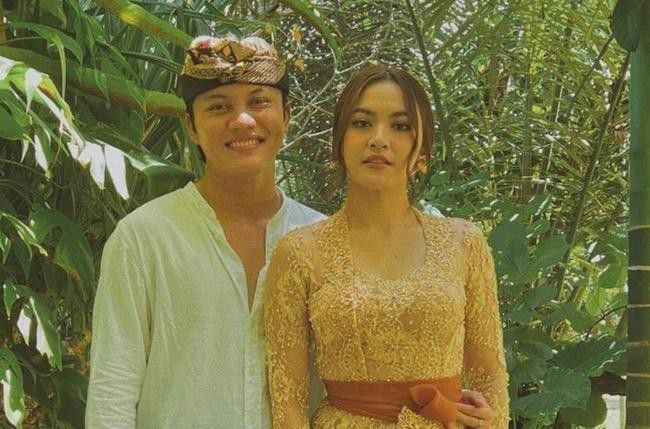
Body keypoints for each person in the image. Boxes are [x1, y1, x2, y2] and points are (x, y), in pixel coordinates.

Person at [85, 35, 325, 428]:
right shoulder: (144, 238)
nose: (242, 120)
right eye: (219, 106)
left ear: (286, 116)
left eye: (259, 102)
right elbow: (113, 391)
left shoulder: (323, 239)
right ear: (192, 127)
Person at [264, 65, 509, 428]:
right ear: (338, 143)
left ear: (422, 153)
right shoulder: (299, 252)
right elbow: (289, 402)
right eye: (362, 123)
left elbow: (490, 375)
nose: (378, 139)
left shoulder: (464, 243)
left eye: (400, 126)